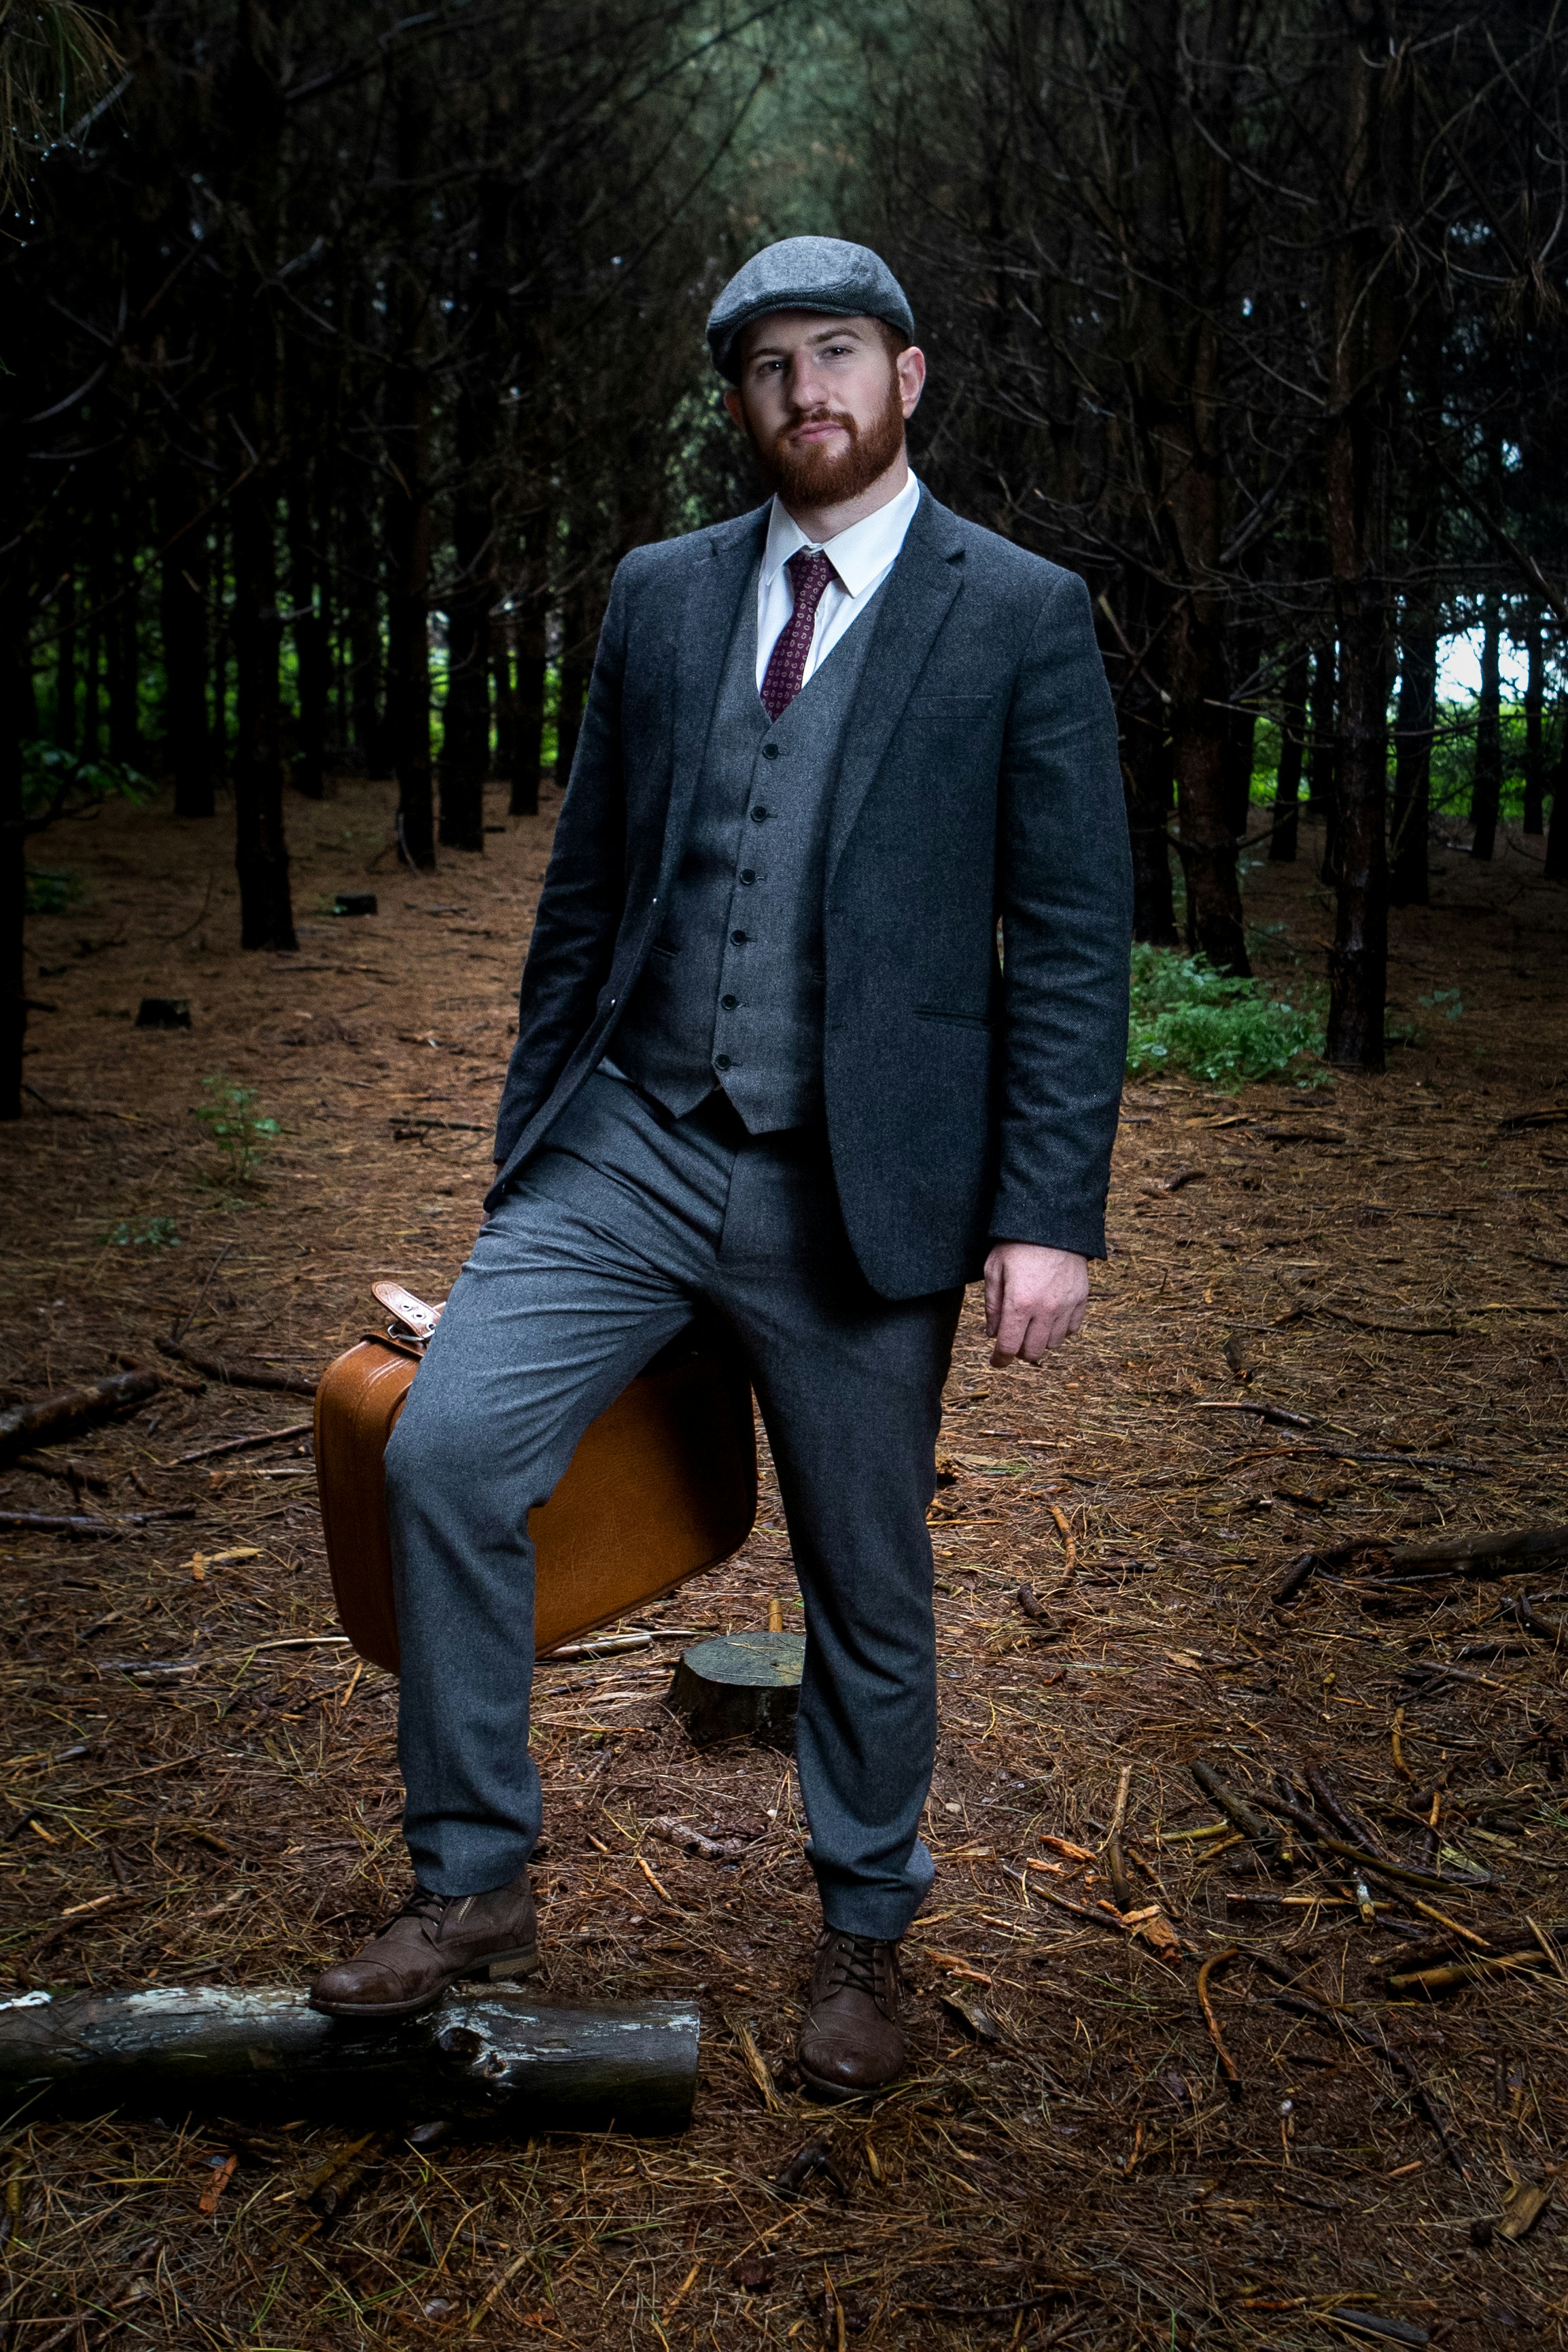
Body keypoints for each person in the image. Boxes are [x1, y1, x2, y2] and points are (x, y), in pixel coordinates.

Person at [310, 235, 1132, 2100]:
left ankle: (861, 1931)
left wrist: (1042, 1211)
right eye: (766, 367)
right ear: (741, 399)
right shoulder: (663, 598)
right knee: (441, 1449)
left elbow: (1073, 933)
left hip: (867, 1183)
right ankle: (472, 1878)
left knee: (867, 1574)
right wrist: (530, 1152)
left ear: (906, 375)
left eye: (835, 355)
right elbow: (587, 892)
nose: (803, 394)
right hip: (627, 1148)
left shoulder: (1016, 611)